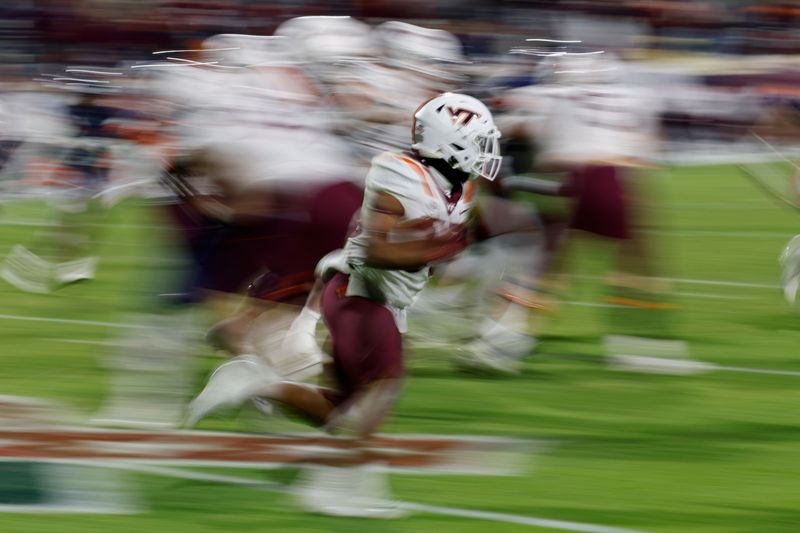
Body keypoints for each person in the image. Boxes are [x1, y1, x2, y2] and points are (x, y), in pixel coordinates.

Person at [186, 92, 502, 517]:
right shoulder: (400, 173)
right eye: (479, 140)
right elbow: (376, 250)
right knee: (385, 386)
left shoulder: (460, 189)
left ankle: (254, 383)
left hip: (385, 300)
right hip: (359, 293)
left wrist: (446, 259)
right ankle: (337, 488)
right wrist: (442, 245)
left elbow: (429, 256)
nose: (486, 151)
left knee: (343, 409)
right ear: (450, 141)